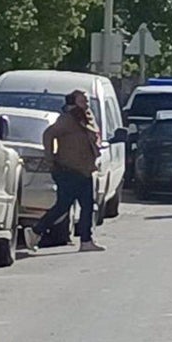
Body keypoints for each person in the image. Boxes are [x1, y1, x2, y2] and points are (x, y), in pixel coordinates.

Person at [31, 90, 104, 252]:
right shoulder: (67, 119)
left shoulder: (86, 118)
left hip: (85, 170)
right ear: (73, 103)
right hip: (68, 170)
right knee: (63, 205)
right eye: (82, 101)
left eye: (87, 101)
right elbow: (48, 134)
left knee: (87, 206)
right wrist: (50, 158)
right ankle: (36, 230)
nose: (86, 104)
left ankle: (86, 241)